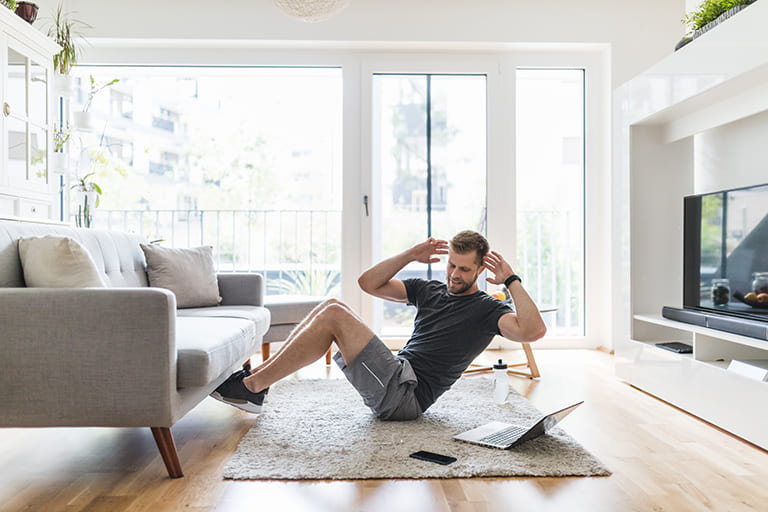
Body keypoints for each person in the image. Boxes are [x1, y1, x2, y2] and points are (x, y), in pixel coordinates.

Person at [211, 230, 546, 420]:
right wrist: (410, 254)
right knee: (331, 305)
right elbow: (368, 283)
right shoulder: (429, 290)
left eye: (464, 270)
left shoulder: (486, 309)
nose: (455, 275)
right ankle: (256, 382)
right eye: (452, 266)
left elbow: (533, 331)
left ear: (479, 272)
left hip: (406, 397)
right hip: (396, 372)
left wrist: (511, 280)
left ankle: (252, 389)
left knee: (334, 315)